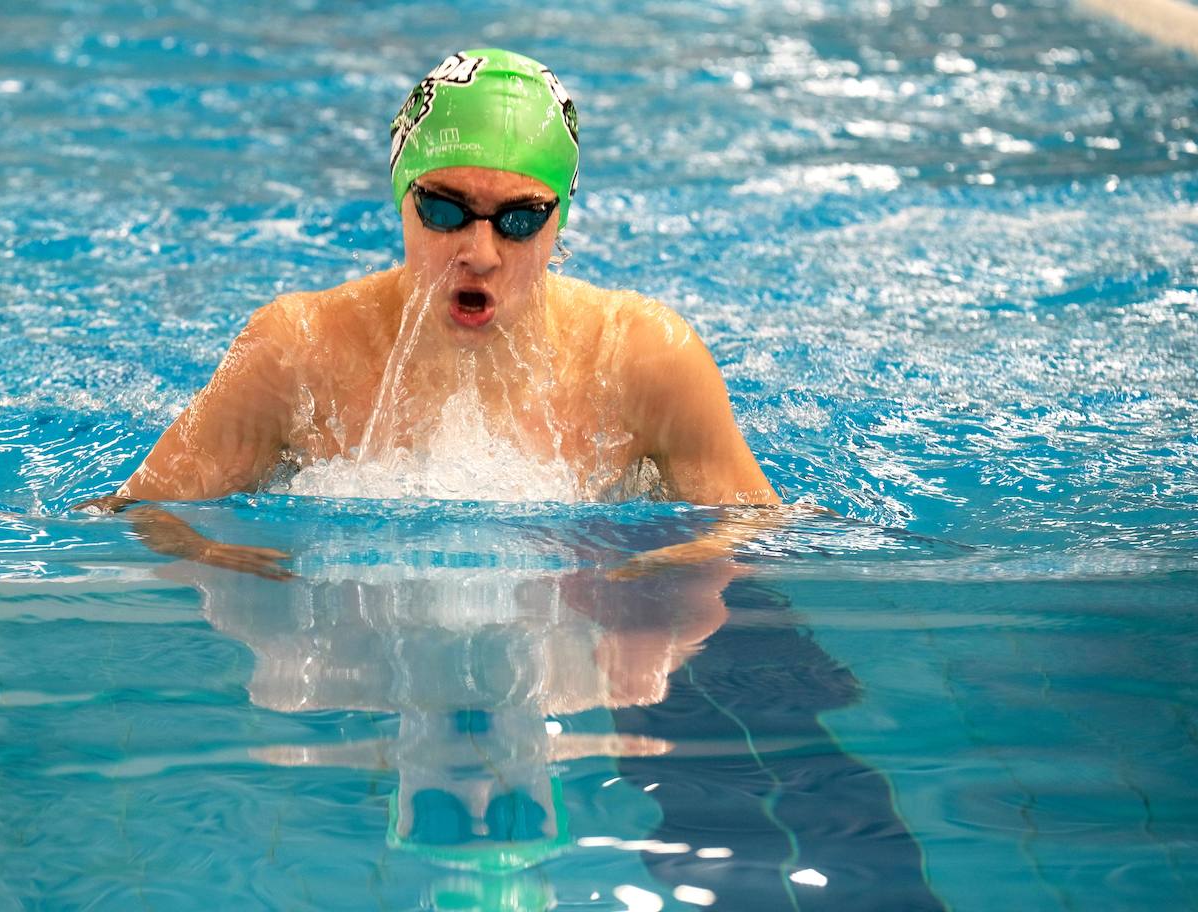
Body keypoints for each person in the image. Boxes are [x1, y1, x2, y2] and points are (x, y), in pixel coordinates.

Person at [88, 49, 779, 573]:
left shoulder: (644, 357)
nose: (479, 252)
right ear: (402, 198)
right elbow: (134, 513)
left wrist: (657, 570)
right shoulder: (295, 350)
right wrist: (216, 559)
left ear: (560, 219)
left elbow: (759, 528)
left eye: (519, 220)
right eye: (445, 210)